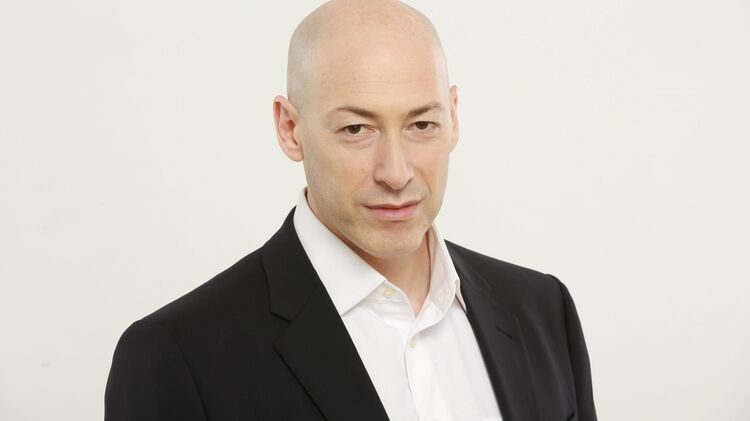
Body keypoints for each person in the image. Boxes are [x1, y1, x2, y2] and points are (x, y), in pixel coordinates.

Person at [104, 1, 597, 420]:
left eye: (421, 124)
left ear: (453, 116)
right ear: (289, 128)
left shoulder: (543, 311)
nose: (396, 172)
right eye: (356, 130)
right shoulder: (181, 355)